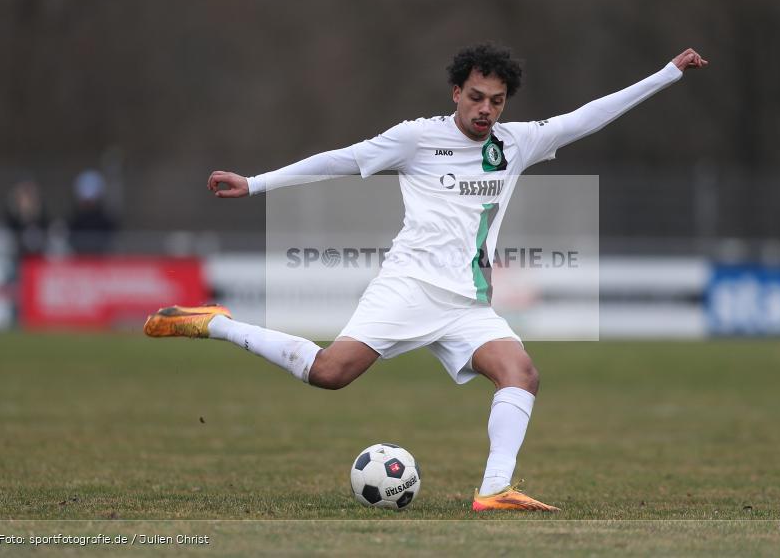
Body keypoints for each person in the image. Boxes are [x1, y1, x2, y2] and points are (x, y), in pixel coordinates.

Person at [144, 43, 707, 511]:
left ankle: (495, 491)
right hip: (409, 287)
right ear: (456, 93)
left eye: (497, 101)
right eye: (477, 97)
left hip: (468, 302)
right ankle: (217, 325)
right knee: (330, 373)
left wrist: (665, 75)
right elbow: (340, 160)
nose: (487, 110)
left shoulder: (516, 144)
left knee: (522, 374)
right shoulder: (416, 137)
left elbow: (589, 116)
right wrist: (256, 183)